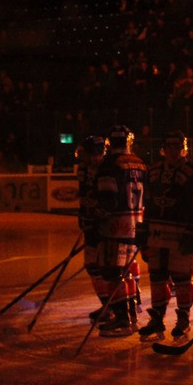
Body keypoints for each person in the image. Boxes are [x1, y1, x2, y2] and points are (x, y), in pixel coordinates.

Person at [138, 131, 193, 340]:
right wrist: (143, 230)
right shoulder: (153, 171)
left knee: (182, 279)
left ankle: (183, 319)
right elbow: (147, 203)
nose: (172, 151)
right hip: (157, 234)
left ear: (183, 149)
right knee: (157, 278)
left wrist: (192, 231)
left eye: (176, 147)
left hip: (181, 235)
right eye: (168, 147)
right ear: (163, 148)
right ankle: (157, 318)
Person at [94, 125, 148, 337]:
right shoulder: (140, 162)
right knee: (126, 272)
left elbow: (107, 199)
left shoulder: (108, 165)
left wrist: (97, 217)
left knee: (112, 273)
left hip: (115, 227)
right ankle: (132, 313)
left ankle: (122, 319)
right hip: (137, 224)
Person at [77, 135, 109, 325]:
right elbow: (83, 195)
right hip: (90, 224)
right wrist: (82, 216)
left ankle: (114, 305)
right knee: (92, 266)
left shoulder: (105, 170)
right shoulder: (83, 170)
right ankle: (106, 304)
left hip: (103, 226)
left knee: (108, 267)